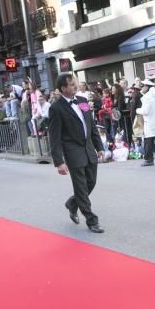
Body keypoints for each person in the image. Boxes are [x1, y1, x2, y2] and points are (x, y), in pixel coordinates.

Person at [48, 73, 105, 234]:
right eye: (71, 84)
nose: (75, 86)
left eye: (75, 83)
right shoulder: (56, 108)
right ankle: (92, 220)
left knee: (91, 182)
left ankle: (73, 204)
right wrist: (59, 162)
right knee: (81, 187)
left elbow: (91, 125)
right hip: (73, 151)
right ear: (63, 89)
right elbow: (54, 137)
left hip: (88, 148)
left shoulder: (82, 101)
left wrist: (99, 146)